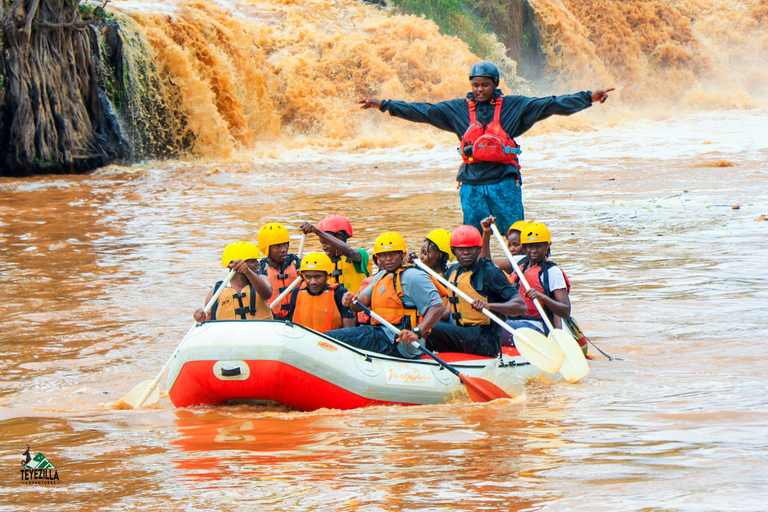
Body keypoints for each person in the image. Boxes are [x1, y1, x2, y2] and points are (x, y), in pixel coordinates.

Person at [359, 61, 614, 232]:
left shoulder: (514, 106)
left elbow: (550, 104)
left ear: (495, 84)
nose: (479, 90)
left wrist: (588, 97)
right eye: (475, 85)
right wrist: (383, 104)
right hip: (471, 184)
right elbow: (423, 110)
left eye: (485, 85)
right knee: (472, 238)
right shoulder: (457, 110)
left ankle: (518, 282)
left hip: (504, 181)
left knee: (515, 235)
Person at [326, 232, 444, 359]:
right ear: (377, 258)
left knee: (330, 338)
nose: (388, 259)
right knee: (332, 337)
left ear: (402, 255)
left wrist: (417, 332)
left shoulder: (414, 276)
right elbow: (360, 304)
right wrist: (351, 300)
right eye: (383, 255)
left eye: (392, 254)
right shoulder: (380, 277)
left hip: (400, 342)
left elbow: (437, 307)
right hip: (381, 334)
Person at [427, 225, 527, 357]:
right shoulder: (453, 271)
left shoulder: (490, 272)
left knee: (429, 329)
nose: (466, 252)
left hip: (484, 340)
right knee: (423, 321)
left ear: (478, 249)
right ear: (453, 250)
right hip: (463, 334)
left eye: (470, 248)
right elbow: (429, 290)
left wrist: (489, 306)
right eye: (461, 249)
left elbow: (521, 306)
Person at [505, 222, 571, 336]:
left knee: (493, 328)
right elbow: (484, 262)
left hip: (537, 326)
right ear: (524, 248)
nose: (534, 251)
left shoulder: (552, 272)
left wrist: (542, 297)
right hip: (514, 321)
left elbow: (565, 311)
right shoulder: (518, 262)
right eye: (530, 246)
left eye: (538, 246)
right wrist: (486, 233)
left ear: (547, 246)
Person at [194, 241, 273, 322]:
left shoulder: (263, 279)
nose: (258, 264)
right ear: (232, 265)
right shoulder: (215, 293)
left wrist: (247, 271)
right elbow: (207, 324)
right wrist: (201, 318)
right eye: (252, 261)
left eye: (256, 260)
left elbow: (267, 294)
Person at [299, 215, 371, 294]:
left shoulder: (360, 255)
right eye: (322, 244)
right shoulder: (322, 262)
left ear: (339, 237)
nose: (324, 248)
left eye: (326, 243)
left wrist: (317, 232)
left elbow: (350, 253)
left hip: (354, 305)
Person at [286, 252, 356, 333]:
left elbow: (349, 332)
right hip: (301, 341)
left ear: (327, 276)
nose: (313, 282)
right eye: (308, 277)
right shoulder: (296, 293)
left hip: (329, 343)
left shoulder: (339, 293)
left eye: (318, 277)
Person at [257, 222, 300, 318]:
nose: (283, 249)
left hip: (297, 317)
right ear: (267, 249)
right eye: (277, 246)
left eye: (285, 244)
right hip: (274, 319)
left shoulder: (297, 263)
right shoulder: (261, 269)